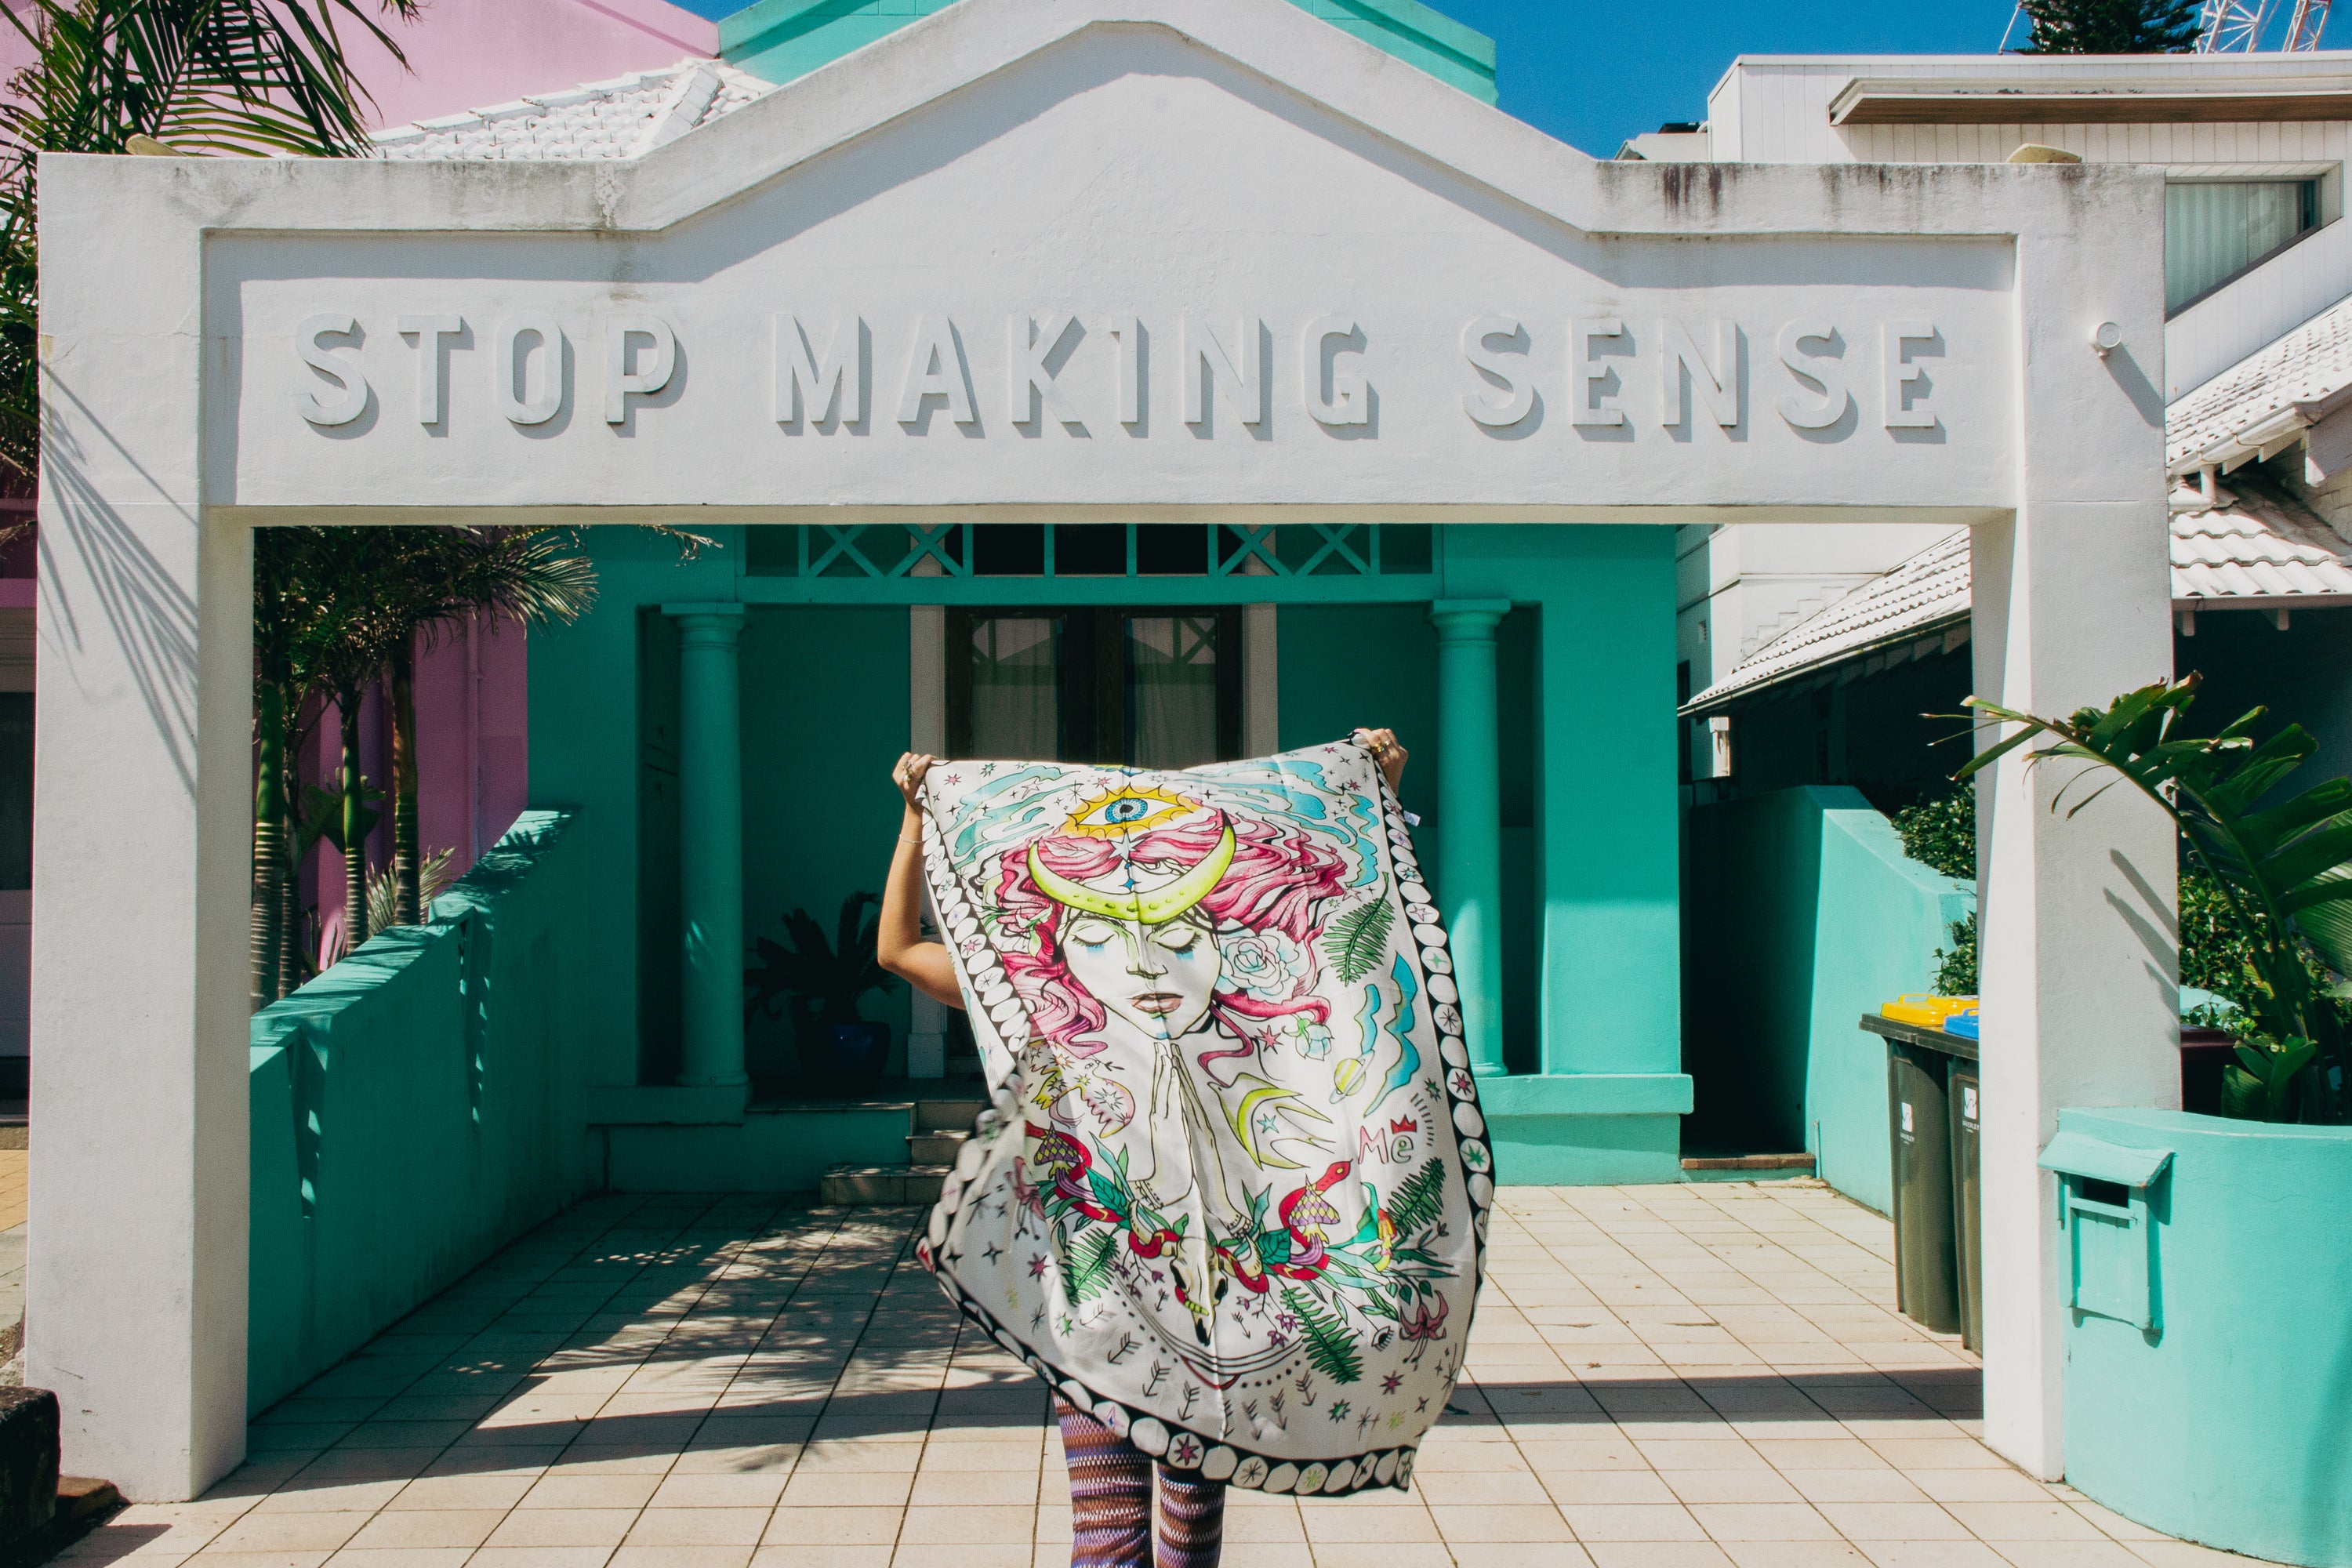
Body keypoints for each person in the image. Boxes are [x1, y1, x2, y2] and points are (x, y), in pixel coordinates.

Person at [877, 729, 1410, 1568]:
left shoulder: (1253, 1027)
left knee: (1187, 1540)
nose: (1144, 959)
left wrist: (1371, 794)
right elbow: (899, 949)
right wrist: (915, 820)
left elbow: (1355, 929)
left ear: (1221, 946)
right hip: (1097, 1306)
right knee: (1110, 1536)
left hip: (1223, 1311)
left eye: (1181, 932)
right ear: (1067, 954)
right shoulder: (1030, 1000)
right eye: (1097, 936)